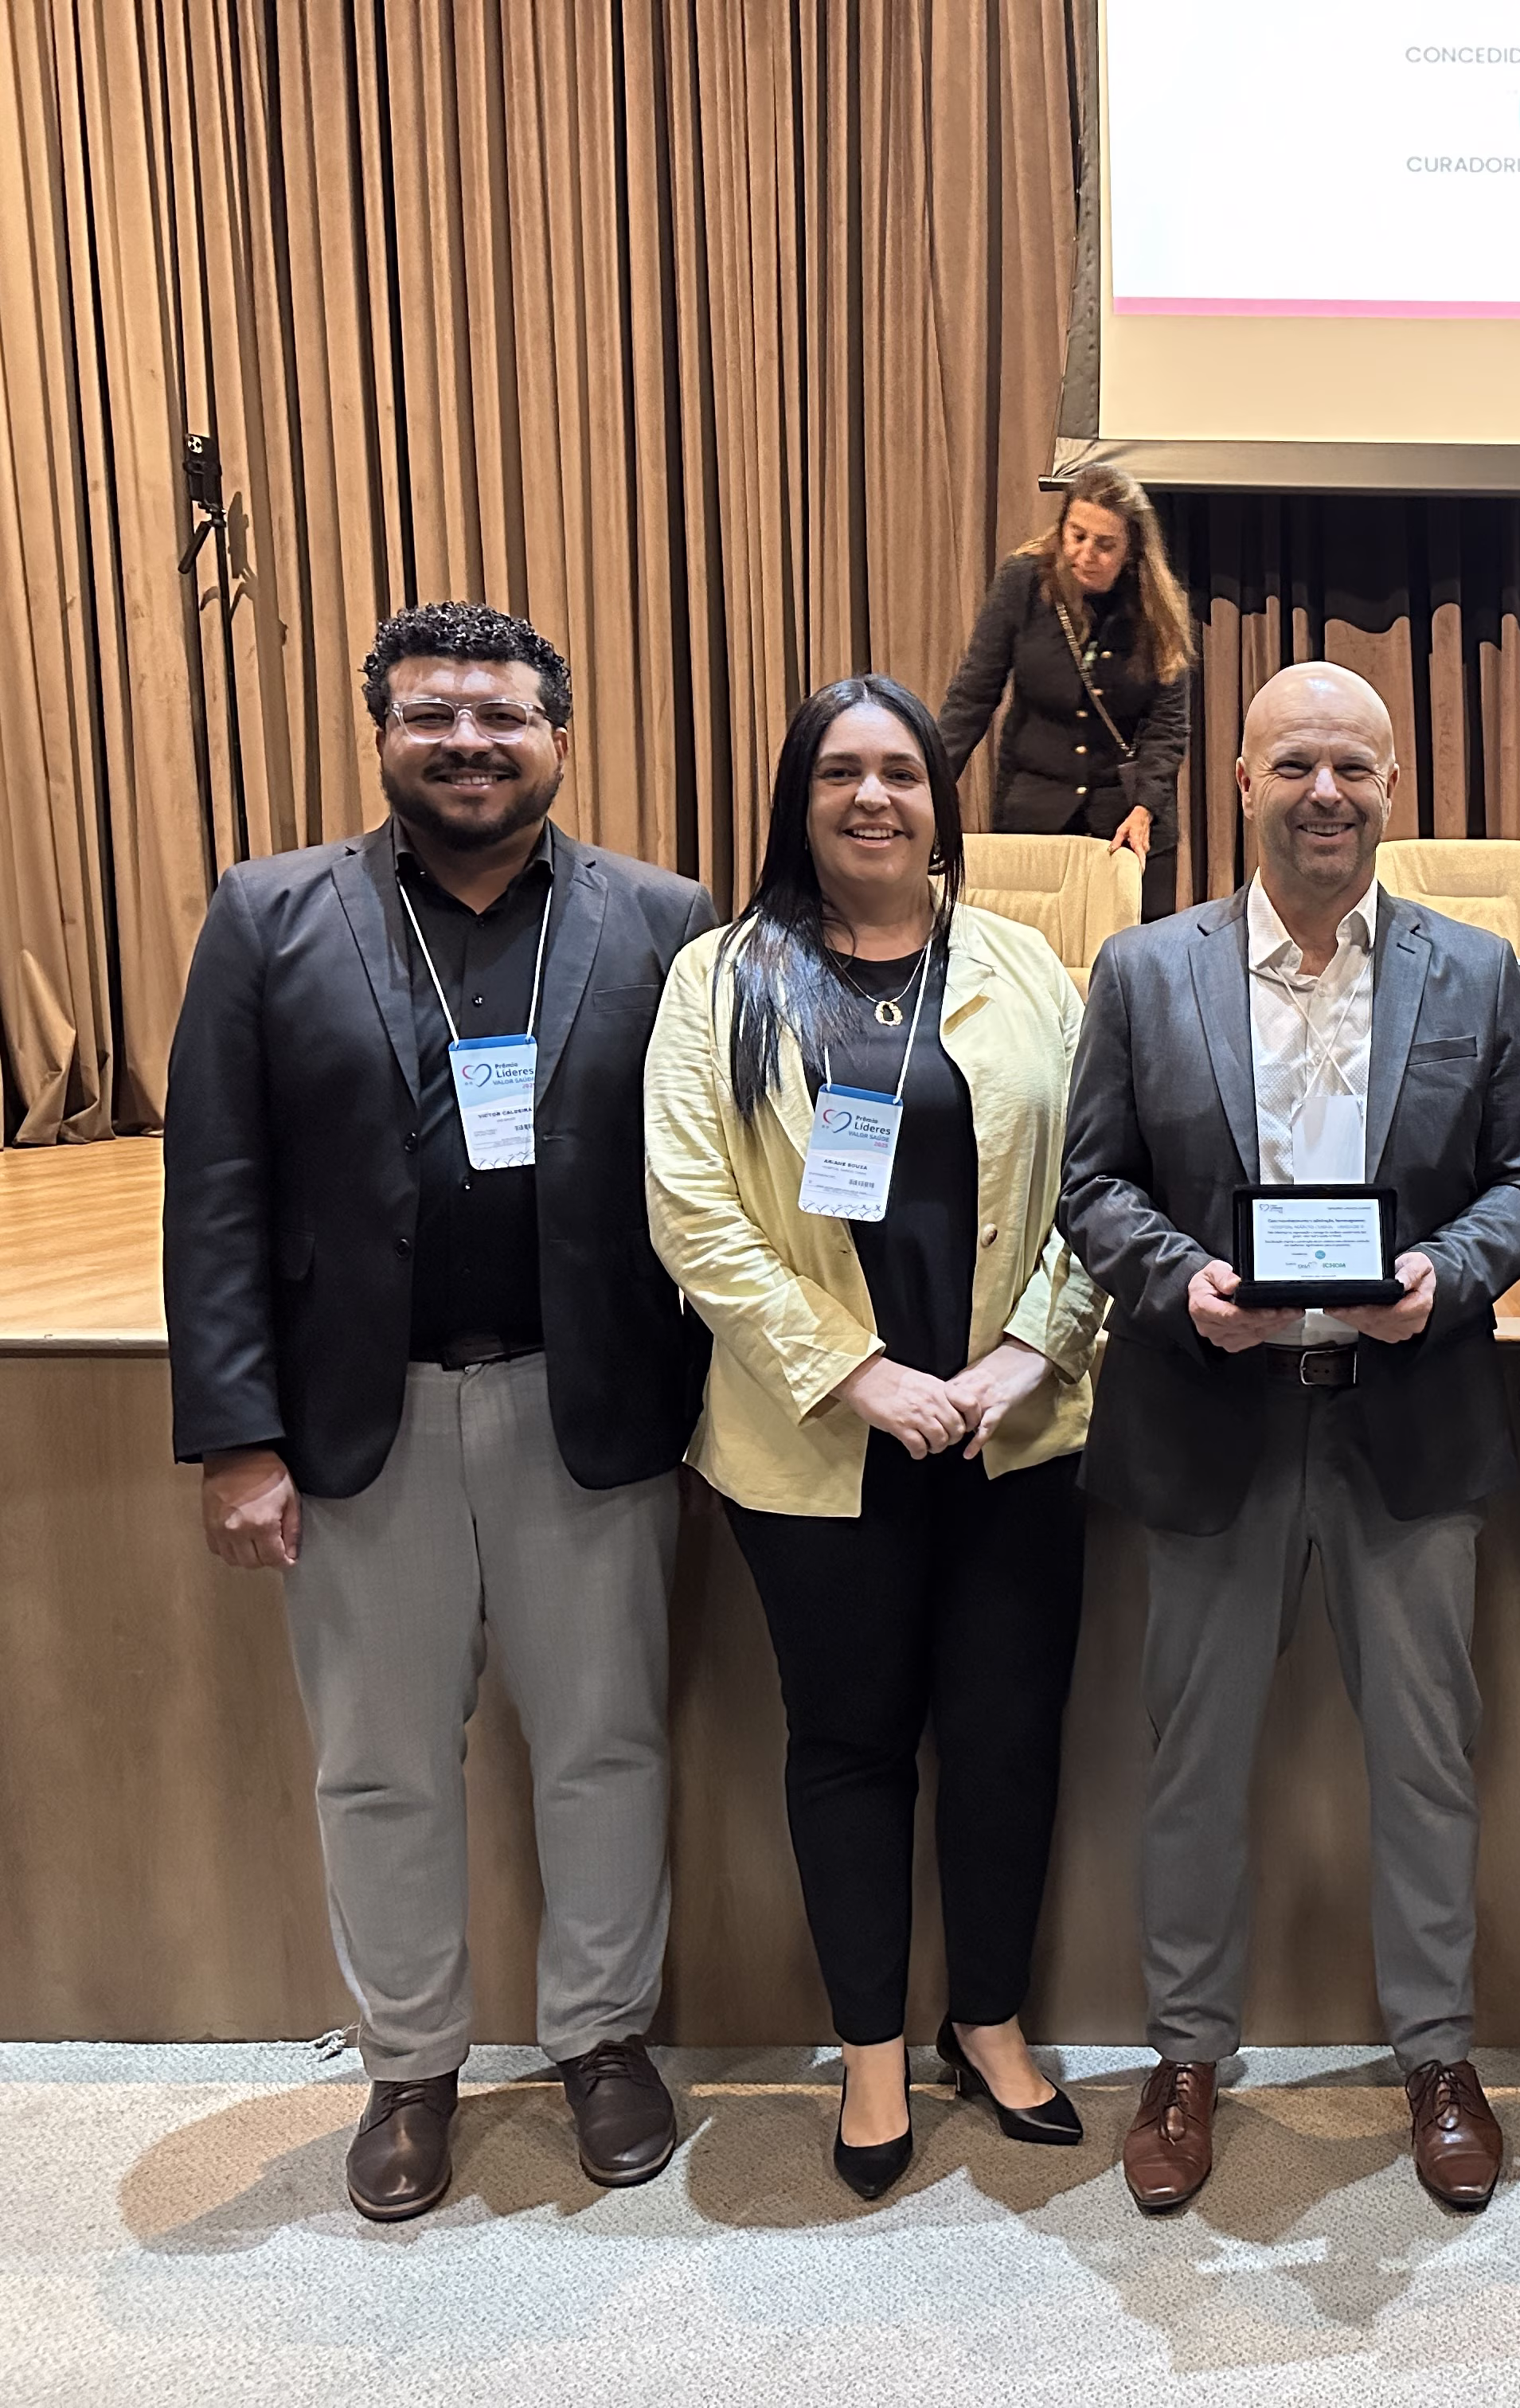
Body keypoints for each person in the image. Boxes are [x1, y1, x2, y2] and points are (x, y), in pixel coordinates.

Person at [162, 601, 714, 2221]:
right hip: (360, 1426)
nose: (467, 744)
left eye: (501, 718)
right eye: (431, 718)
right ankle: (411, 2068)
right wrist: (234, 1435)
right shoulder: (269, 917)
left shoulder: (666, 919)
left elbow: (715, 1179)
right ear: (383, 735)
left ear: (561, 734)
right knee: (381, 1764)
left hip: (591, 1409)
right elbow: (216, 1193)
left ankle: (604, 2042)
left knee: (605, 1750)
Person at [1058, 659, 1520, 2217]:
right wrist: (1180, 1281)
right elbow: (1092, 1189)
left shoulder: (1476, 974)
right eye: (1296, 767)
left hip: (1406, 1420)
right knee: (1193, 1766)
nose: (1326, 794)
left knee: (1429, 1764)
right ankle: (1189, 2058)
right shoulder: (1145, 974)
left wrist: (1451, 1275)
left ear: (1393, 786)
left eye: (1354, 767)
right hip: (1212, 1417)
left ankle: (1438, 2055)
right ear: (1243, 782)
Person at [644, 674, 1108, 2201]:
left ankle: (988, 2017)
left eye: (900, 769)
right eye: (839, 771)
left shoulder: (1028, 966)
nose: (872, 797)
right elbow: (693, 1214)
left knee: (1004, 1738)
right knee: (845, 1743)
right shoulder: (721, 977)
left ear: (938, 795)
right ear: (799, 795)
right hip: (813, 1445)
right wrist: (858, 1375)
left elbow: (1108, 1177)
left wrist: (1026, 1353)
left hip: (1012, 1434)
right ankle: (864, 2047)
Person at [937, 462, 1194, 922]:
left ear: (1131, 551)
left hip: (1127, 819)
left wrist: (1145, 809)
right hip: (1033, 810)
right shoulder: (1022, 582)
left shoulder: (1158, 606)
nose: (1086, 553)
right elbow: (972, 697)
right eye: (1076, 536)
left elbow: (1167, 725)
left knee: (1130, 963)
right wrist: (929, 791)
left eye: (1105, 544)